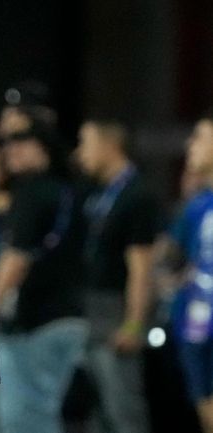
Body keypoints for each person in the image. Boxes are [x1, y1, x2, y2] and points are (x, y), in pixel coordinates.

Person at [0, 125, 88, 433]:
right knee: (33, 415)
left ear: (43, 149)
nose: (11, 151)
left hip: (36, 323)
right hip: (66, 317)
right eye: (8, 144)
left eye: (21, 142)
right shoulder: (67, 189)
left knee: (24, 420)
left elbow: (16, 257)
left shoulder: (33, 191)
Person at [75, 119, 161, 433]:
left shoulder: (137, 195)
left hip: (115, 310)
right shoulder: (97, 193)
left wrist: (134, 323)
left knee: (122, 408)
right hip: (89, 308)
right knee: (96, 411)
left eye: (85, 143)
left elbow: (142, 268)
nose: (79, 153)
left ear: (109, 145)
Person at [164, 110, 213, 433]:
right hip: (198, 324)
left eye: (199, 137)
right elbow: (182, 256)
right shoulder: (198, 206)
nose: (189, 144)